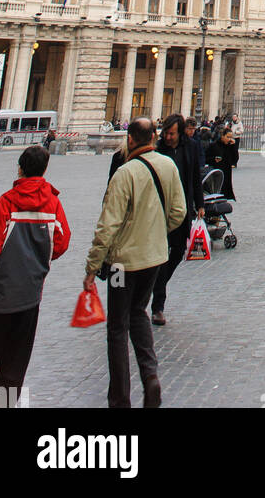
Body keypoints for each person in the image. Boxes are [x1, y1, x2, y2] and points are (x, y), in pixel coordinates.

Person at [84, 117, 186, 409]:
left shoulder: (124, 173)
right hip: (153, 258)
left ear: (130, 139)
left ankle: (120, 399)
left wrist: (92, 267)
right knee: (139, 313)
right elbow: (178, 212)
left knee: (117, 326)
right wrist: (155, 232)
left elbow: (107, 226)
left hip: (120, 265)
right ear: (154, 138)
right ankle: (151, 376)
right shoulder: (168, 166)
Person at [0, 144, 70, 405]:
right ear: (44, 170)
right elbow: (61, 242)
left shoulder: (6, 203)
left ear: (20, 168)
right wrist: (37, 261)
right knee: (15, 363)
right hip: (30, 295)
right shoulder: (53, 205)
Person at [151, 114, 205, 326]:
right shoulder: (158, 149)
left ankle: (158, 283)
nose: (168, 136)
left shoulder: (190, 147)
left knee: (178, 251)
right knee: (161, 254)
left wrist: (200, 204)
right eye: (165, 132)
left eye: (171, 133)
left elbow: (195, 177)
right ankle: (158, 306)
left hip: (182, 208)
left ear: (180, 132)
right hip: (160, 209)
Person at [206, 127, 239, 200]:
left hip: (227, 172)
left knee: (226, 195)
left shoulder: (230, 146)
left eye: (231, 137)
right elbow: (206, 158)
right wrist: (214, 159)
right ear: (222, 136)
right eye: (228, 137)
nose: (229, 139)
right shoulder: (214, 145)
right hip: (217, 172)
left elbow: (235, 159)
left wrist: (234, 147)